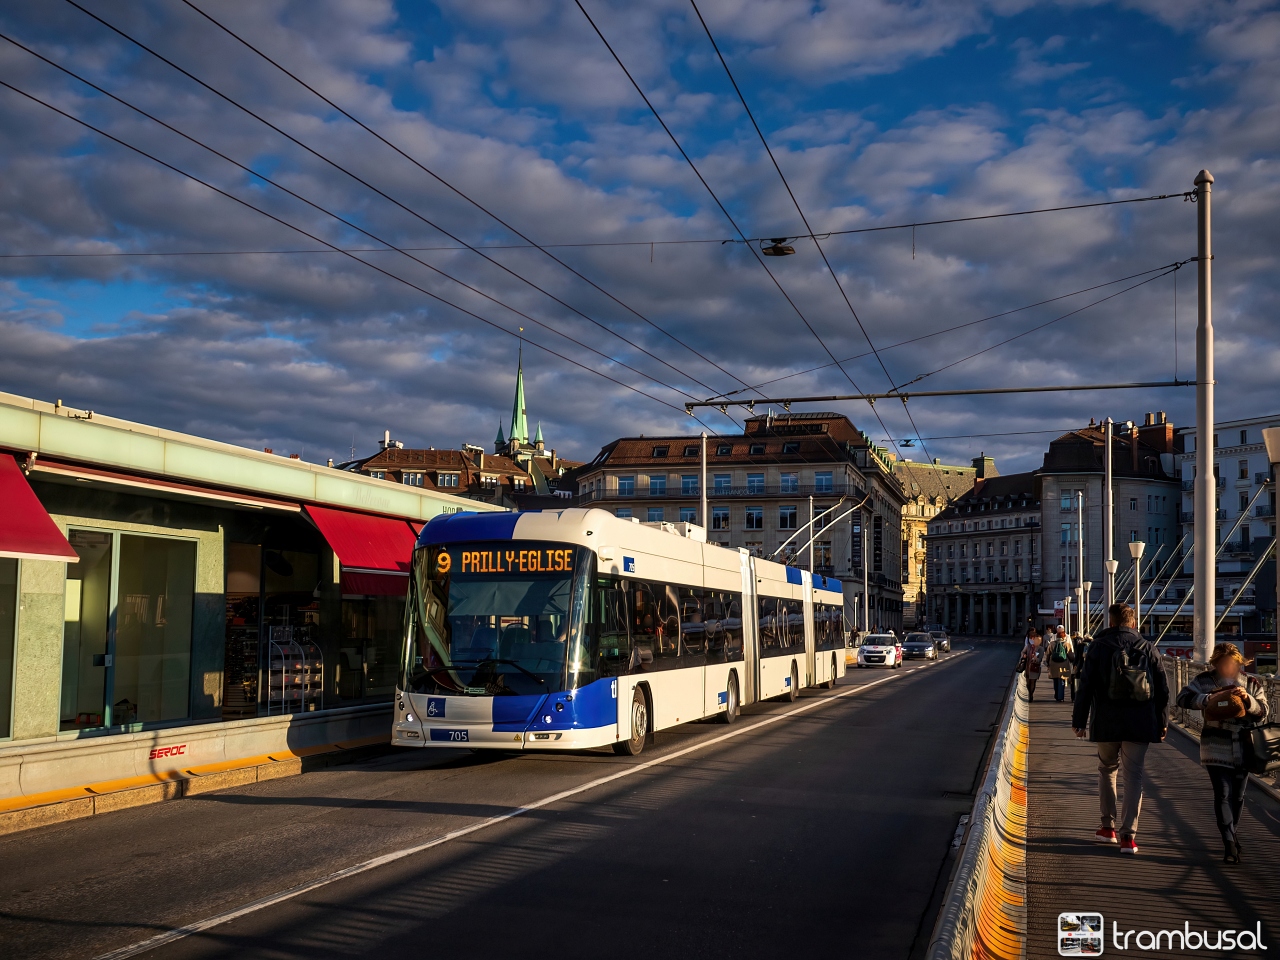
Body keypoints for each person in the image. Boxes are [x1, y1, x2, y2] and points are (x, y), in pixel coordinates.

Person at [1072, 603, 1169, 855]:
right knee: (1133, 775)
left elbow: (1085, 686)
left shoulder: (1098, 646)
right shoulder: (1148, 647)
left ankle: (1108, 828)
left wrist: (1079, 721)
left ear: (1111, 622)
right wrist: (1162, 722)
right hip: (1141, 721)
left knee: (1107, 769)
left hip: (1107, 721)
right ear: (1133, 623)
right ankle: (1128, 837)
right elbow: (1162, 689)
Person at [1175, 643, 1269, 863]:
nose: (1229, 667)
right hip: (1215, 744)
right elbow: (1182, 698)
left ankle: (1232, 832)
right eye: (1224, 663)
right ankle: (1228, 842)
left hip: (1244, 746)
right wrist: (1207, 699)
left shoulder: (1252, 682)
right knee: (1223, 793)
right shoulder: (1204, 680)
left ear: (1239, 663)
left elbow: (1263, 711)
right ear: (1216, 663)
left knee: (1238, 796)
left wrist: (1248, 700)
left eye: (1233, 664)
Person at [1046, 628, 1075, 702]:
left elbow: (1048, 654)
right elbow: (1070, 655)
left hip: (1053, 664)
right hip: (1063, 665)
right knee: (1062, 680)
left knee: (1055, 680)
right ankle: (1060, 697)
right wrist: (1073, 661)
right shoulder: (1066, 644)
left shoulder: (1052, 644)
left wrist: (1047, 663)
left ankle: (1056, 695)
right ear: (1064, 636)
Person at [1019, 629, 1044, 701]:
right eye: (1031, 638)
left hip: (1035, 667)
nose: (1032, 640)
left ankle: (1031, 695)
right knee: (1028, 683)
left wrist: (1036, 659)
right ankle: (1029, 692)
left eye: (1034, 638)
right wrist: (1023, 655)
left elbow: (1040, 659)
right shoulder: (1028, 646)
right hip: (1028, 666)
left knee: (1033, 681)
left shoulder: (1040, 648)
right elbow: (1023, 652)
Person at [1070, 634, 1092, 702]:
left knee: (1078, 681)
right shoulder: (1093, 645)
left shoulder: (1080, 646)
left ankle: (1075, 697)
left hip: (1080, 666)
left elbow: (1077, 657)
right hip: (1090, 667)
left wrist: (1074, 665)